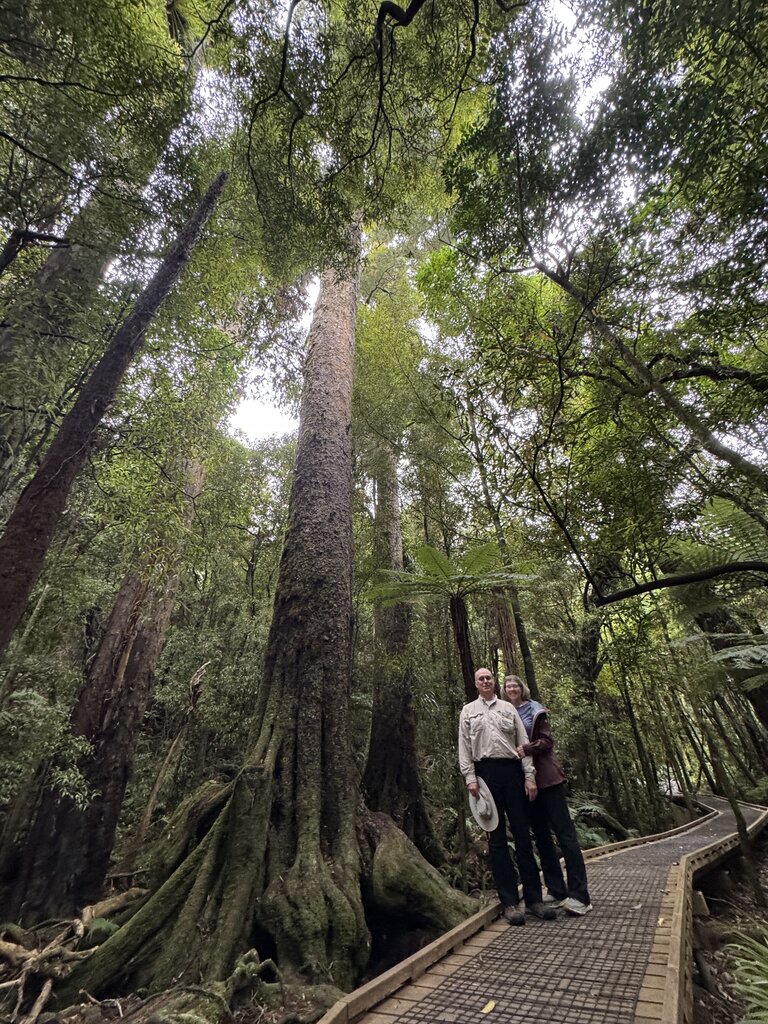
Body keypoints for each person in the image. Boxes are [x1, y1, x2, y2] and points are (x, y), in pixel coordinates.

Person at [459, 667, 557, 926]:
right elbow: (464, 746)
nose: (485, 681)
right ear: (476, 683)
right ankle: (509, 902)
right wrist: (470, 778)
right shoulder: (468, 711)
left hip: (512, 772)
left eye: (489, 678)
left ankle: (534, 900)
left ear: (494, 682)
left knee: (523, 834)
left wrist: (529, 776)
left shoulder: (507, 708)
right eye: (481, 678)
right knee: (497, 839)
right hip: (485, 774)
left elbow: (522, 744)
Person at [503, 674, 593, 916]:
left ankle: (580, 895)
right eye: (508, 685)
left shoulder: (535, 710)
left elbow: (546, 741)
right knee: (541, 836)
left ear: (522, 688)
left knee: (565, 834)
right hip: (526, 782)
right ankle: (556, 889)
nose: (512, 688)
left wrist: (526, 748)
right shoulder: (505, 712)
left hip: (548, 778)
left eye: (515, 685)